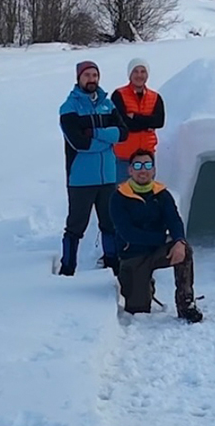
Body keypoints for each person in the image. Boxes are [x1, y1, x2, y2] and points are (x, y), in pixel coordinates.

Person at [110, 149, 203, 323]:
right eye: (137, 165)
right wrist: (162, 239)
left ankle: (186, 304)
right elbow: (128, 234)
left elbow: (174, 220)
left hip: (157, 251)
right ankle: (144, 284)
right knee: (138, 310)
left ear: (153, 170)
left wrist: (178, 240)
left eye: (147, 165)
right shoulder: (119, 197)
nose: (142, 170)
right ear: (130, 170)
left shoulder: (162, 194)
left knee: (184, 251)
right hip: (133, 256)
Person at [57, 60, 128, 276]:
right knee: (76, 226)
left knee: (109, 223)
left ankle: (112, 263)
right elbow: (79, 143)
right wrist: (108, 139)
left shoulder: (108, 104)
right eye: (87, 75)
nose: (91, 79)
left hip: (107, 176)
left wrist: (96, 133)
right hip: (81, 179)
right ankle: (68, 268)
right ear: (79, 78)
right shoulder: (69, 107)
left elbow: (123, 133)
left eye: (94, 75)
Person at [111, 57, 165, 184]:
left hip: (147, 158)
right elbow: (123, 123)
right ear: (130, 74)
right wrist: (147, 124)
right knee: (122, 194)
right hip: (124, 156)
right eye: (136, 71)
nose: (139, 75)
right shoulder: (119, 95)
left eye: (143, 71)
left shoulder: (155, 97)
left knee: (146, 195)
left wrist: (135, 117)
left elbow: (159, 122)